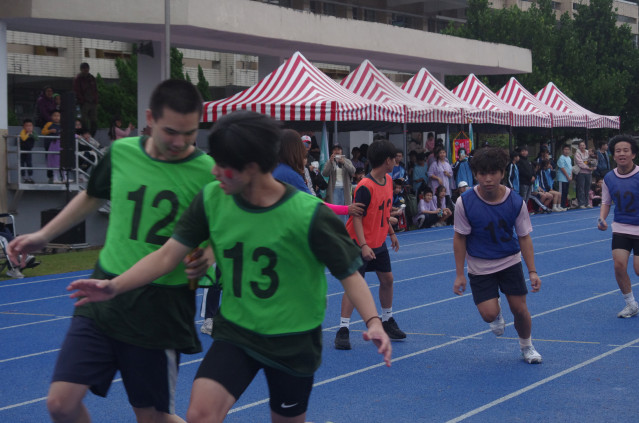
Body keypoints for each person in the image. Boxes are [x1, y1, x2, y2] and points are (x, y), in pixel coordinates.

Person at [67, 110, 392, 423]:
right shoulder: (213, 198)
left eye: (224, 166)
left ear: (253, 167)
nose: (214, 172)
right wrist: (114, 285)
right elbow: (167, 256)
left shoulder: (309, 214)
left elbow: (350, 275)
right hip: (237, 331)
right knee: (200, 415)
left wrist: (374, 321)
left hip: (292, 339)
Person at [8, 79, 216, 423]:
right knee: (60, 403)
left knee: (152, 417)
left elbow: (226, 227)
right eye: (170, 132)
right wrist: (43, 235)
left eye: (190, 133)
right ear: (150, 118)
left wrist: (209, 254)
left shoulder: (208, 172)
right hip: (102, 291)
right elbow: (92, 195)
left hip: (160, 305)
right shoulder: (121, 153)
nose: (180, 142)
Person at [453, 147, 543, 364]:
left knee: (520, 309)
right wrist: (459, 274)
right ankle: (496, 312)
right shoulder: (465, 202)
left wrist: (532, 271)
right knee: (489, 315)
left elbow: (524, 237)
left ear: (502, 173)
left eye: (493, 173)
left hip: (509, 261)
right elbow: (460, 238)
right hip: (480, 266)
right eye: (482, 173)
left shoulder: (515, 201)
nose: (488, 179)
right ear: (475, 174)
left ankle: (527, 346)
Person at [334, 139, 404, 351]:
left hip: (378, 240)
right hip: (358, 242)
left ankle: (387, 319)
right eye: (394, 159)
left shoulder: (388, 180)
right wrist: (363, 245)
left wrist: (391, 233)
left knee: (387, 279)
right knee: (355, 285)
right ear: (387, 161)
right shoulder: (365, 186)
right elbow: (357, 217)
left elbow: (383, 210)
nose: (396, 162)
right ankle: (343, 329)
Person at [597, 135, 639, 318]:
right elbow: (606, 202)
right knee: (619, 266)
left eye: (626, 150)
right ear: (613, 155)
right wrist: (602, 218)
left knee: (638, 269)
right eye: (618, 151)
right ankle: (631, 304)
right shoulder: (609, 177)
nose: (622, 154)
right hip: (621, 227)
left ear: (633, 154)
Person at [322, 144, 356, 221]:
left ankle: (344, 227)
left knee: (345, 210)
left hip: (345, 189)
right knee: (335, 211)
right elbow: (325, 173)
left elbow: (353, 171)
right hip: (334, 189)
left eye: (338, 149)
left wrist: (344, 162)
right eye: (335, 149)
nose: (337, 151)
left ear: (341, 151)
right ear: (332, 152)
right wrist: (330, 162)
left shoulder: (347, 161)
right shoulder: (330, 161)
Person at [41, 110, 63, 183]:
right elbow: (43, 132)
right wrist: (49, 131)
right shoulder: (49, 124)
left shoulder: (62, 125)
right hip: (49, 145)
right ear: (51, 117)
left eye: (58, 116)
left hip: (59, 146)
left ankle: (62, 177)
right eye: (54, 115)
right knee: (50, 161)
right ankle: (51, 177)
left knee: (60, 161)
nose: (56, 117)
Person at [574, 140, 596, 209]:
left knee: (587, 188)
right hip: (581, 173)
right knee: (581, 188)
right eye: (581, 145)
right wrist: (588, 167)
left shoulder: (588, 152)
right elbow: (580, 163)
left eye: (583, 145)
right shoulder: (577, 153)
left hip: (589, 173)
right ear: (579, 147)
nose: (582, 146)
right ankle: (581, 203)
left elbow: (593, 159)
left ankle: (587, 203)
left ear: (585, 146)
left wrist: (593, 167)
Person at [19, 118, 37, 183]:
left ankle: (30, 177)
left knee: (29, 163)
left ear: (33, 127)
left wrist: (32, 134)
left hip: (29, 150)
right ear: (23, 127)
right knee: (22, 163)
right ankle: (23, 177)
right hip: (22, 150)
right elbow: (23, 138)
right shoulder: (22, 132)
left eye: (30, 126)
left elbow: (36, 138)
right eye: (27, 126)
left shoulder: (33, 132)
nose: (29, 127)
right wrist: (28, 134)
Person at [556, 144, 573, 209]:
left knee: (566, 192)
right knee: (561, 192)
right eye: (565, 149)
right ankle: (560, 205)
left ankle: (564, 205)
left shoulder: (569, 158)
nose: (567, 151)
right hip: (562, 178)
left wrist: (571, 176)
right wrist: (567, 176)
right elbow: (562, 168)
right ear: (563, 150)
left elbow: (570, 168)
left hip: (567, 178)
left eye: (568, 149)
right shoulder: (561, 158)